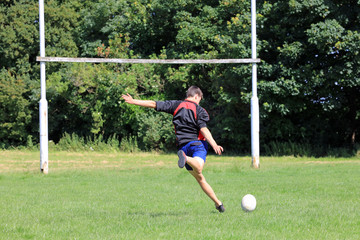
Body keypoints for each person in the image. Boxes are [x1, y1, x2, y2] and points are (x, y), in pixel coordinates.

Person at [121, 86, 225, 212]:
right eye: (199, 99)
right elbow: (203, 128)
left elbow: (154, 104)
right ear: (196, 96)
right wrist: (214, 144)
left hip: (183, 147)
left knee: (200, 178)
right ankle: (186, 158)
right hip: (197, 145)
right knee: (199, 166)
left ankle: (218, 203)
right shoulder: (199, 110)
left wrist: (134, 101)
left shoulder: (176, 105)